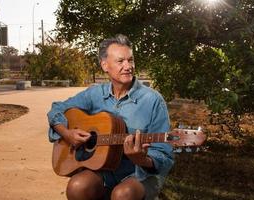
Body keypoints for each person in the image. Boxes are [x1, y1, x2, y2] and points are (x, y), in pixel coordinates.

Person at [47, 34, 174, 200]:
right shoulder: (95, 94)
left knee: (122, 195)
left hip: (139, 173)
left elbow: (164, 155)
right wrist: (66, 133)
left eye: (131, 60)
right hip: (103, 169)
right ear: (105, 65)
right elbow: (57, 109)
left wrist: (141, 159)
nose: (128, 66)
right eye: (121, 61)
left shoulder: (153, 100)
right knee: (77, 187)